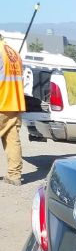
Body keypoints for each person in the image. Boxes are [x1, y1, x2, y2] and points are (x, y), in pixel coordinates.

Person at [0, 33, 25, 186]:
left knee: (12, 140)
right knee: (12, 140)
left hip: (1, 100)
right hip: (14, 103)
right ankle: (14, 175)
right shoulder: (14, 53)